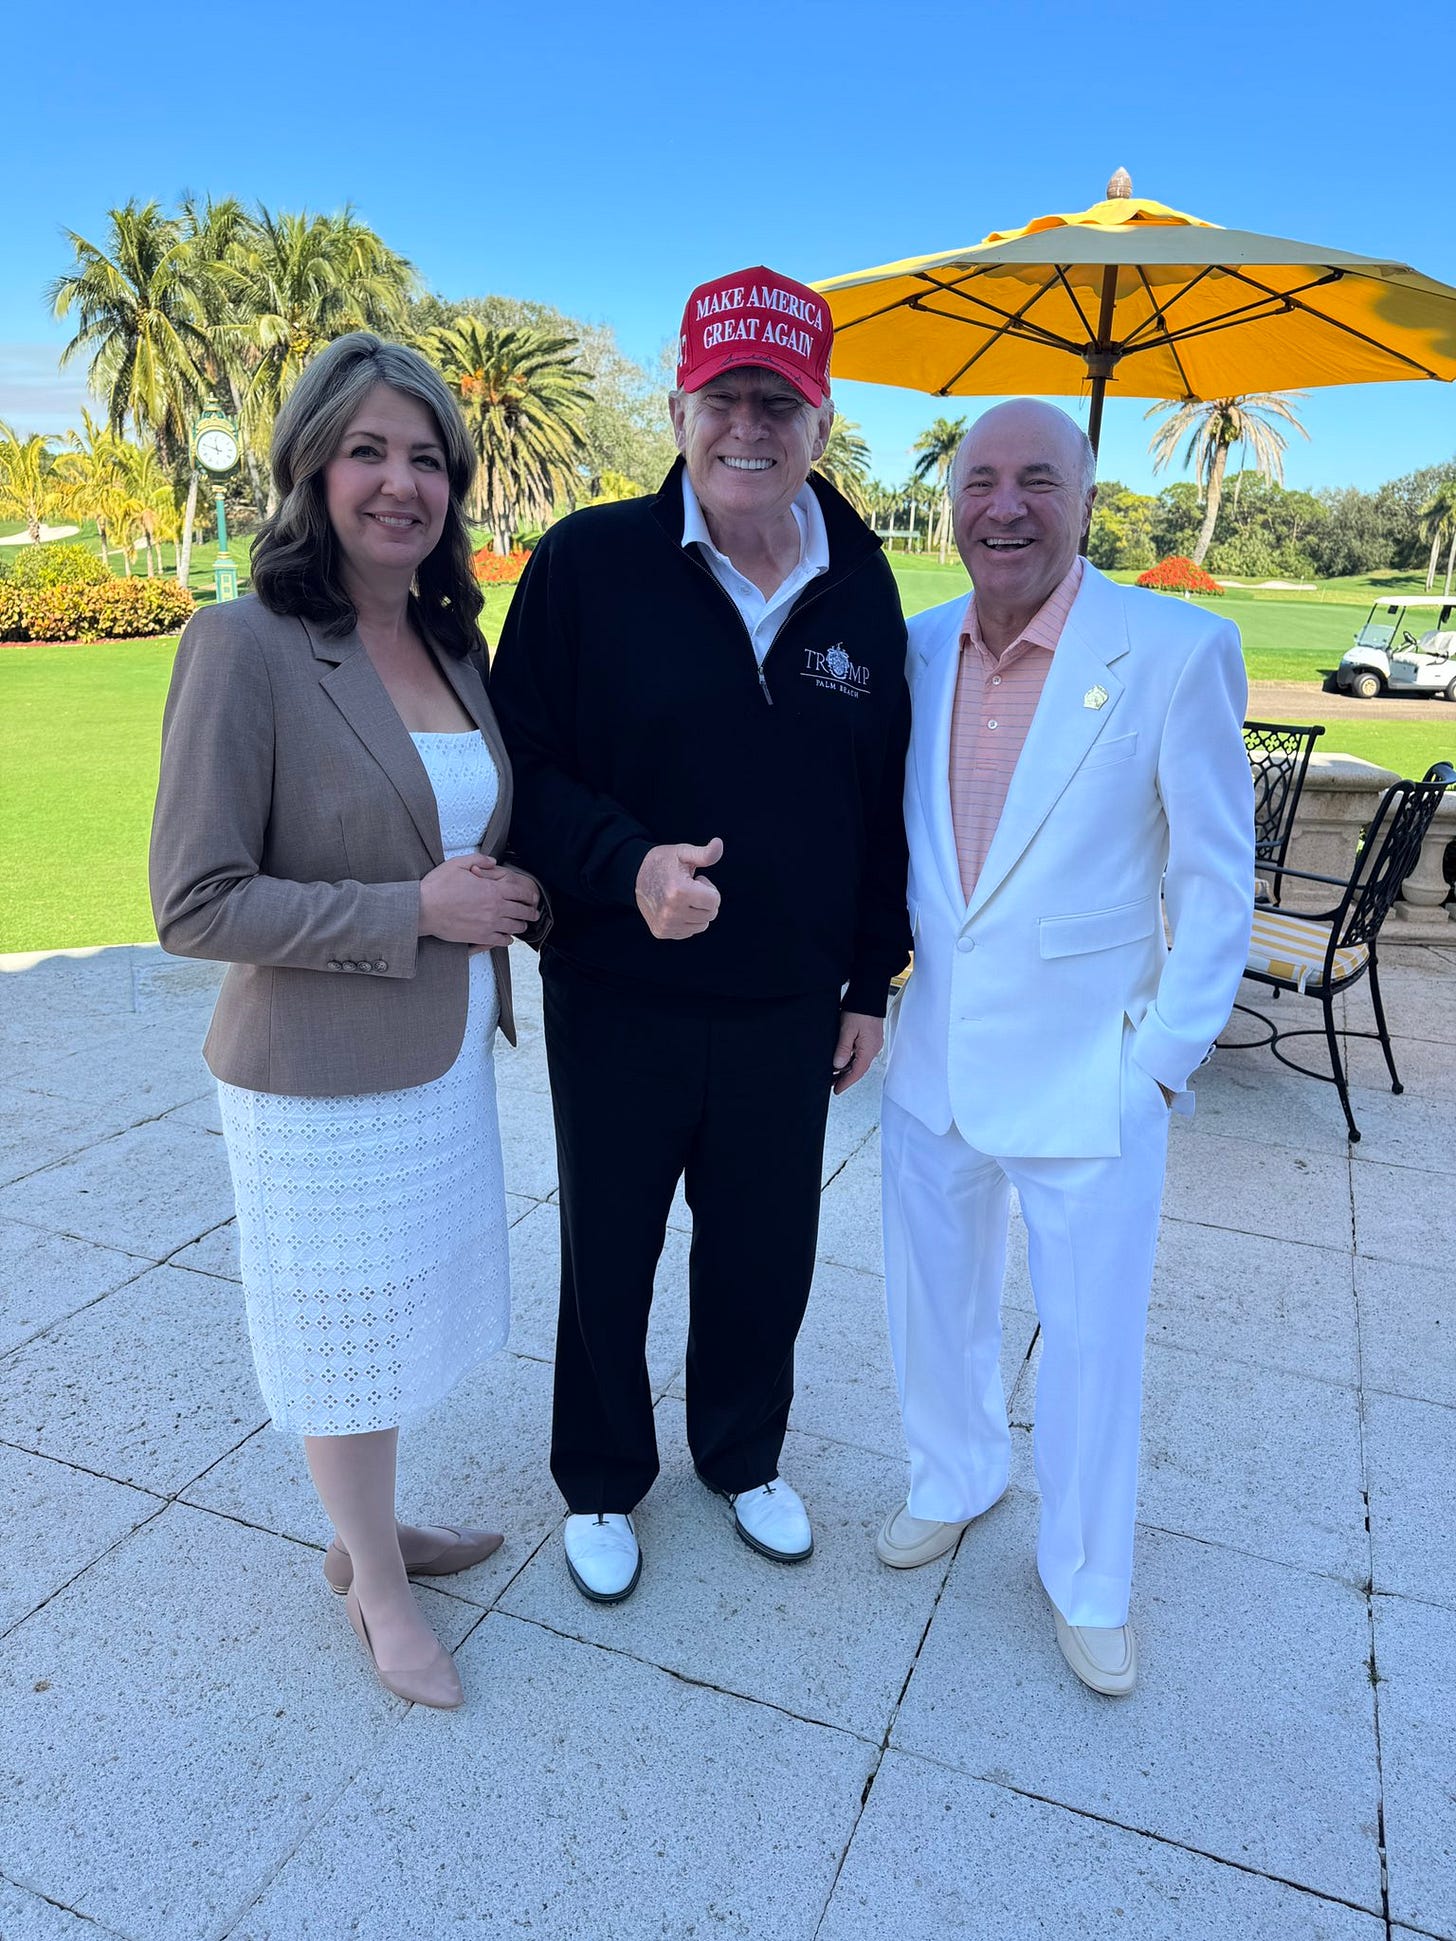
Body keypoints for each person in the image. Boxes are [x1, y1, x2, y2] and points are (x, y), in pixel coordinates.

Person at [490, 267, 910, 1602]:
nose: (750, 426)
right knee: (608, 1246)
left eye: (778, 402)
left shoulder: (862, 584)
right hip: (620, 988)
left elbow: (882, 797)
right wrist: (630, 868)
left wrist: (870, 982)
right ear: (677, 409)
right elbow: (524, 774)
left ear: (821, 422)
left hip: (789, 1004)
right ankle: (603, 1478)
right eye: (724, 396)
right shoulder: (586, 564)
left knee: (764, 1245)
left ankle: (744, 1453)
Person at [150, 333, 542, 1710]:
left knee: (399, 1307)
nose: (401, 482)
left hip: (433, 1060)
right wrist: (413, 915)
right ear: (311, 466)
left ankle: (375, 1524)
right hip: (312, 1074)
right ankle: (373, 1582)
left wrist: (505, 895)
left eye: (428, 457)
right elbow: (196, 902)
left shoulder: (448, 640)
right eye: (370, 450)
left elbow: (457, 837)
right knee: (340, 1327)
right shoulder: (243, 643)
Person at [876, 400, 1253, 1695]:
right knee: (933, 1305)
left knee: (1092, 1343)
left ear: (1087, 499)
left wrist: (1158, 1062)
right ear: (953, 501)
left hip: (1093, 1076)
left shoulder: (1176, 649)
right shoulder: (916, 648)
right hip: (933, 1063)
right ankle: (955, 1470)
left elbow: (1216, 883)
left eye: (1040, 478)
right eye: (982, 478)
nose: (1006, 505)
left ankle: (1089, 1577)